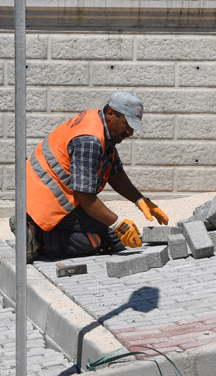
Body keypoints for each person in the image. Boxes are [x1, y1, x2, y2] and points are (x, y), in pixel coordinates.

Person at [22, 91, 171, 259]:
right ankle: (36, 235)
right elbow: (84, 195)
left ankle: (39, 229)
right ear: (110, 114)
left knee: (111, 234)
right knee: (111, 239)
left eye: (133, 127)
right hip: (44, 200)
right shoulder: (90, 140)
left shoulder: (101, 127)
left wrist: (140, 200)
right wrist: (118, 224)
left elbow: (115, 173)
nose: (130, 132)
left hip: (50, 194)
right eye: (127, 124)